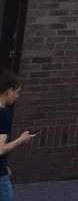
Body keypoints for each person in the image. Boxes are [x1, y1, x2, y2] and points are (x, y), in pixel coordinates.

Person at [0, 70, 33, 201]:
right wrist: (21, 139)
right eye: (17, 92)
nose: (17, 96)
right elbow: (0, 149)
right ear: (9, 91)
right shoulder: (4, 115)